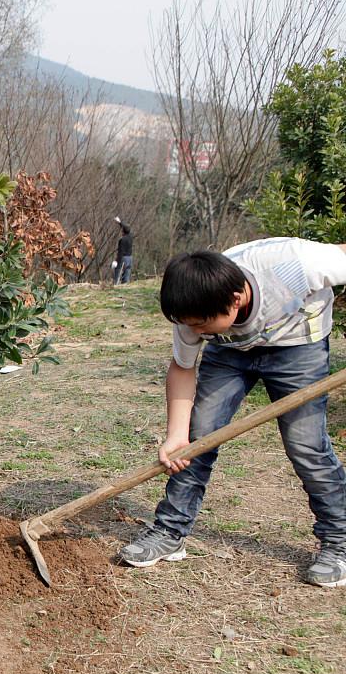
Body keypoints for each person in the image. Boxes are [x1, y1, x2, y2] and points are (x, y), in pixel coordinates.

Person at [119, 237, 346, 588]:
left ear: (236, 299)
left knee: (306, 447)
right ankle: (169, 532)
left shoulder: (299, 264)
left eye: (200, 325)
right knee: (196, 440)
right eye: (189, 324)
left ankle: (339, 541)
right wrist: (176, 436)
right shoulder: (196, 302)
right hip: (231, 352)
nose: (194, 332)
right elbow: (182, 368)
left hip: (298, 347)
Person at [113, 217, 134, 285]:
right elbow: (126, 228)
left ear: (123, 232)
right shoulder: (130, 236)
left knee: (118, 272)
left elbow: (120, 252)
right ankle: (125, 285)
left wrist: (116, 261)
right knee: (127, 274)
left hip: (123, 258)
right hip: (130, 258)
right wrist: (119, 222)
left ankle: (116, 284)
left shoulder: (122, 240)